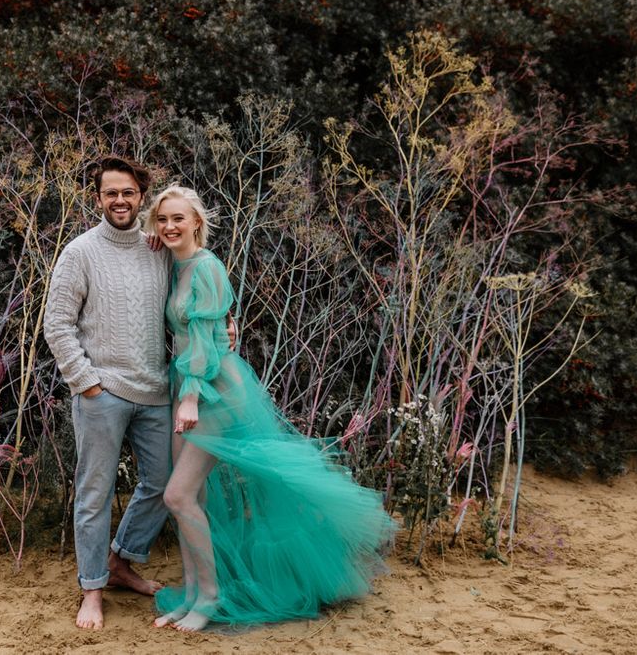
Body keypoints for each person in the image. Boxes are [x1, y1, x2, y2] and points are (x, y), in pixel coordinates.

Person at [147, 184, 397, 633]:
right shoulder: (176, 264)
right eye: (162, 219)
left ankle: (210, 595)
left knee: (177, 495)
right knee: (192, 498)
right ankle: (191, 593)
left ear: (197, 222)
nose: (169, 226)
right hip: (188, 383)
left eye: (178, 218)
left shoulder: (207, 268)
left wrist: (189, 396)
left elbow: (205, 338)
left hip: (214, 389)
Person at [43, 156, 173, 630]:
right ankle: (92, 589)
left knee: (164, 483)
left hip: (157, 391)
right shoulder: (80, 252)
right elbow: (57, 324)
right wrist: (87, 382)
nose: (120, 200)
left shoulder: (159, 249)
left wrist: (224, 324)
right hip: (103, 392)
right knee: (94, 494)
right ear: (97, 198)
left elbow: (189, 302)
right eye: (110, 193)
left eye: (129, 192)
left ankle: (122, 563)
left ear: (142, 196)